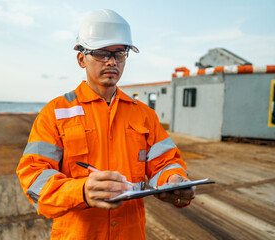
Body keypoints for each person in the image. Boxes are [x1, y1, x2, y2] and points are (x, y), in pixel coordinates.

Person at [17, 9, 195, 240]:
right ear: (81, 59)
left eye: (119, 54)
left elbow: (166, 163)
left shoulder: (144, 115)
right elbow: (33, 176)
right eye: (101, 53)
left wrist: (174, 180)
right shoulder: (55, 113)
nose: (111, 61)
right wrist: (80, 191)